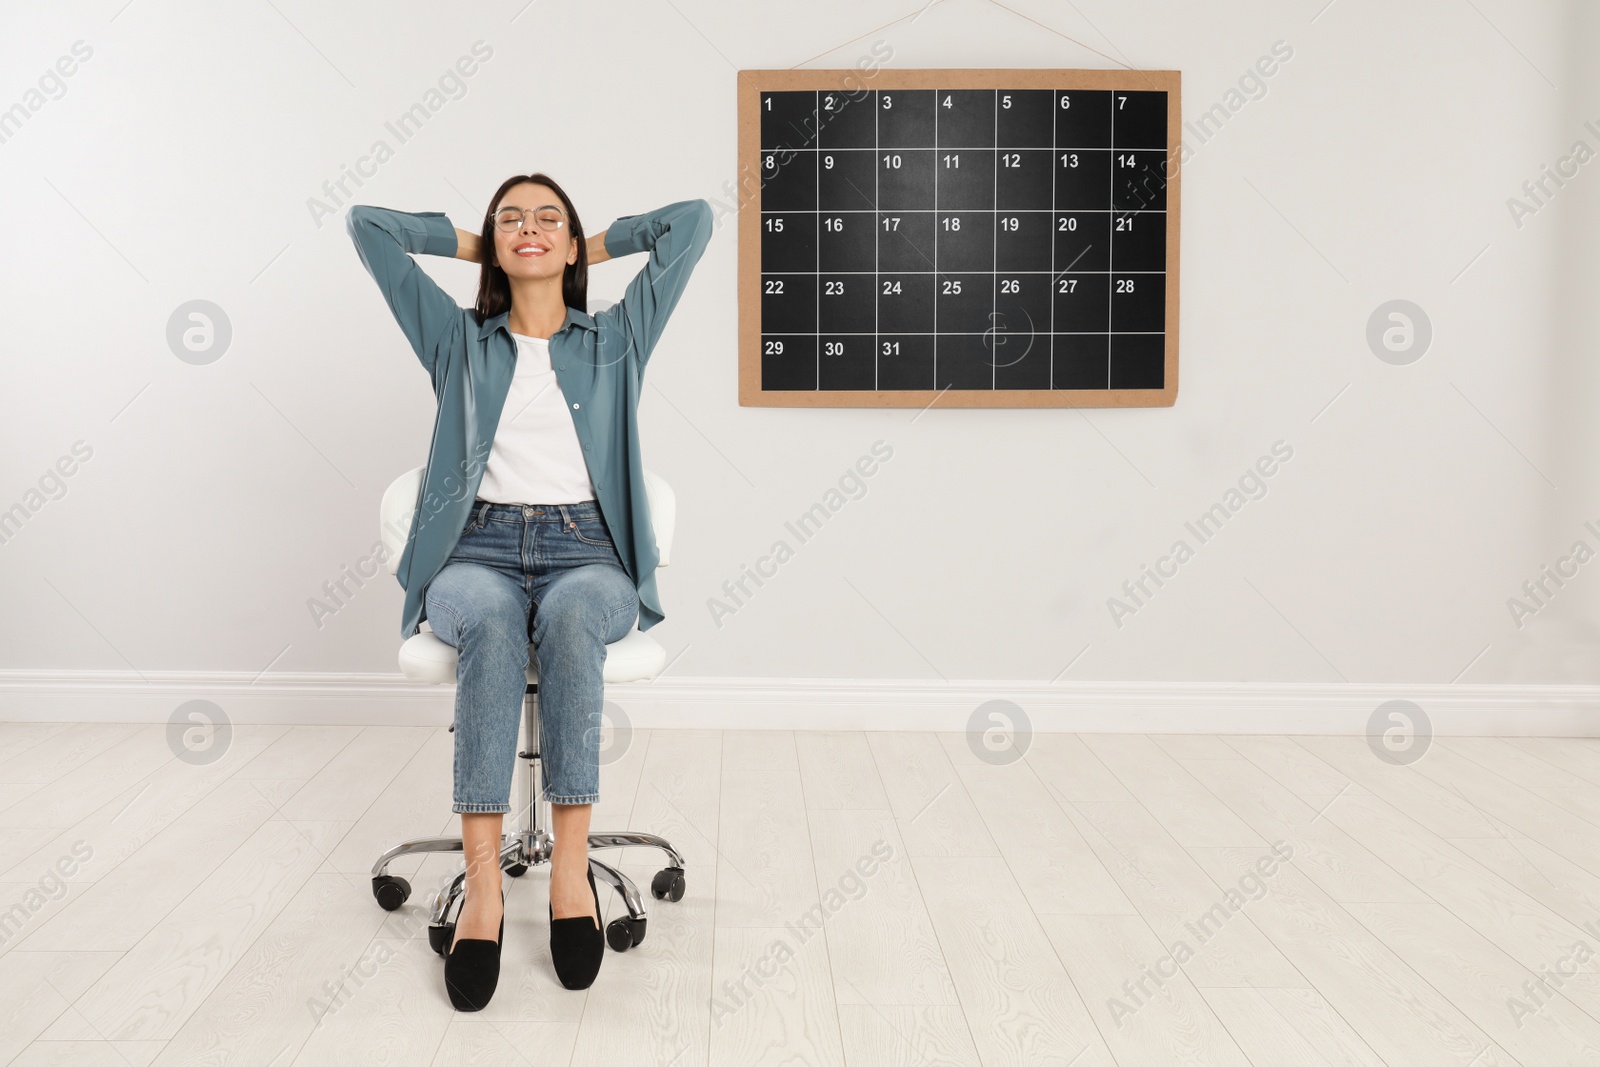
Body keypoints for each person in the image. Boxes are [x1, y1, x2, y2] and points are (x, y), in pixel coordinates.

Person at [345, 175, 712, 1009]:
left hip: (587, 549)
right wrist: (478, 242)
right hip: (476, 549)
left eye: (549, 217)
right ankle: (483, 894)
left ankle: (571, 876)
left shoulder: (616, 337)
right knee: (494, 620)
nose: (529, 228)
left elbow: (691, 224)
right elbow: (368, 225)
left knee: (576, 612)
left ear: (573, 241)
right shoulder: (457, 340)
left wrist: (588, 244)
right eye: (512, 218)